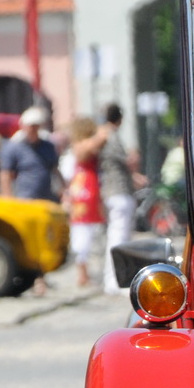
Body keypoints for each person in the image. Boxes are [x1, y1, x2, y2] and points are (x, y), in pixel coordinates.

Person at [96, 103, 140, 291]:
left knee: (117, 236)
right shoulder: (110, 136)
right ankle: (114, 281)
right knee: (119, 237)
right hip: (118, 190)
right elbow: (127, 161)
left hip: (112, 190)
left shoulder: (102, 134)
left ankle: (114, 280)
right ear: (119, 119)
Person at [63, 117, 104, 288]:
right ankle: (83, 273)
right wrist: (103, 131)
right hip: (85, 190)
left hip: (86, 189)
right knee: (83, 233)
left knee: (89, 234)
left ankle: (87, 272)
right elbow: (88, 147)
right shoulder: (80, 146)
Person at [0, 107, 60, 201]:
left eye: (35, 126)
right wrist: (7, 197)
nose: (33, 129)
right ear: (23, 126)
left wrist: (63, 190)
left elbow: (55, 170)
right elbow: (6, 174)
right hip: (24, 199)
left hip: (46, 198)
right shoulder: (14, 147)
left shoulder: (48, 146)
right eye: (30, 126)